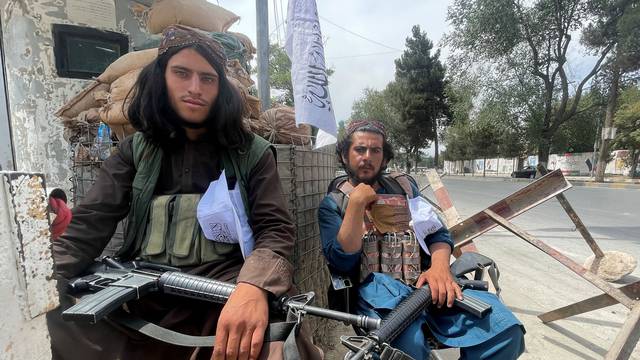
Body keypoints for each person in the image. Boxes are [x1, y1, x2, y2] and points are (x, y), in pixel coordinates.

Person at [49, 25, 321, 360]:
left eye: (208, 78)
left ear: (221, 88)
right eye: (182, 73)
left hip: (223, 292)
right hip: (143, 291)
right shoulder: (134, 151)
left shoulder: (251, 152)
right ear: (160, 78)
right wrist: (42, 283)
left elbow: (276, 230)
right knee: (52, 313)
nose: (195, 88)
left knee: (278, 339)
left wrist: (254, 287)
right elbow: (87, 227)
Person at [318, 119, 525, 359]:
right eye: (359, 149)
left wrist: (439, 268)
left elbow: (437, 233)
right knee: (407, 347)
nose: (367, 156)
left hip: (427, 285)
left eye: (376, 150)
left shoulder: (405, 189)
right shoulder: (333, 205)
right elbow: (342, 263)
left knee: (505, 331)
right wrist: (356, 204)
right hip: (376, 296)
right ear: (345, 156)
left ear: (385, 158)